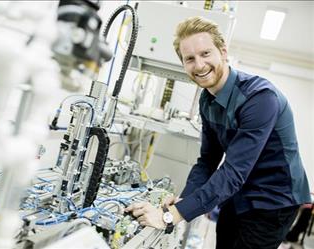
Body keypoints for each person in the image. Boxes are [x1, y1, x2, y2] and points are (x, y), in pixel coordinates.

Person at [125, 16, 312, 249]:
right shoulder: (207, 100)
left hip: (273, 200)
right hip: (240, 193)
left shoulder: (260, 98)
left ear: (223, 52)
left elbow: (233, 172)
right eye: (189, 59)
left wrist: (171, 216)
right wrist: (184, 200)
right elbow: (208, 160)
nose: (199, 65)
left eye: (205, 54)